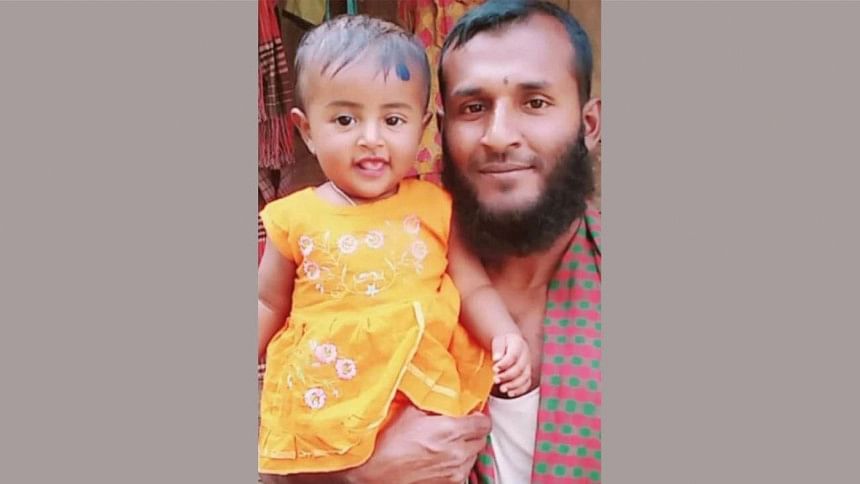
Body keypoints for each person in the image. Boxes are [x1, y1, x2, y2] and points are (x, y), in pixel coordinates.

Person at [274, 1, 603, 483]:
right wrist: (346, 477)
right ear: (442, 129)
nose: (498, 136)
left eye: (535, 102)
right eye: (474, 108)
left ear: (589, 125)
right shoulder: (343, 266)